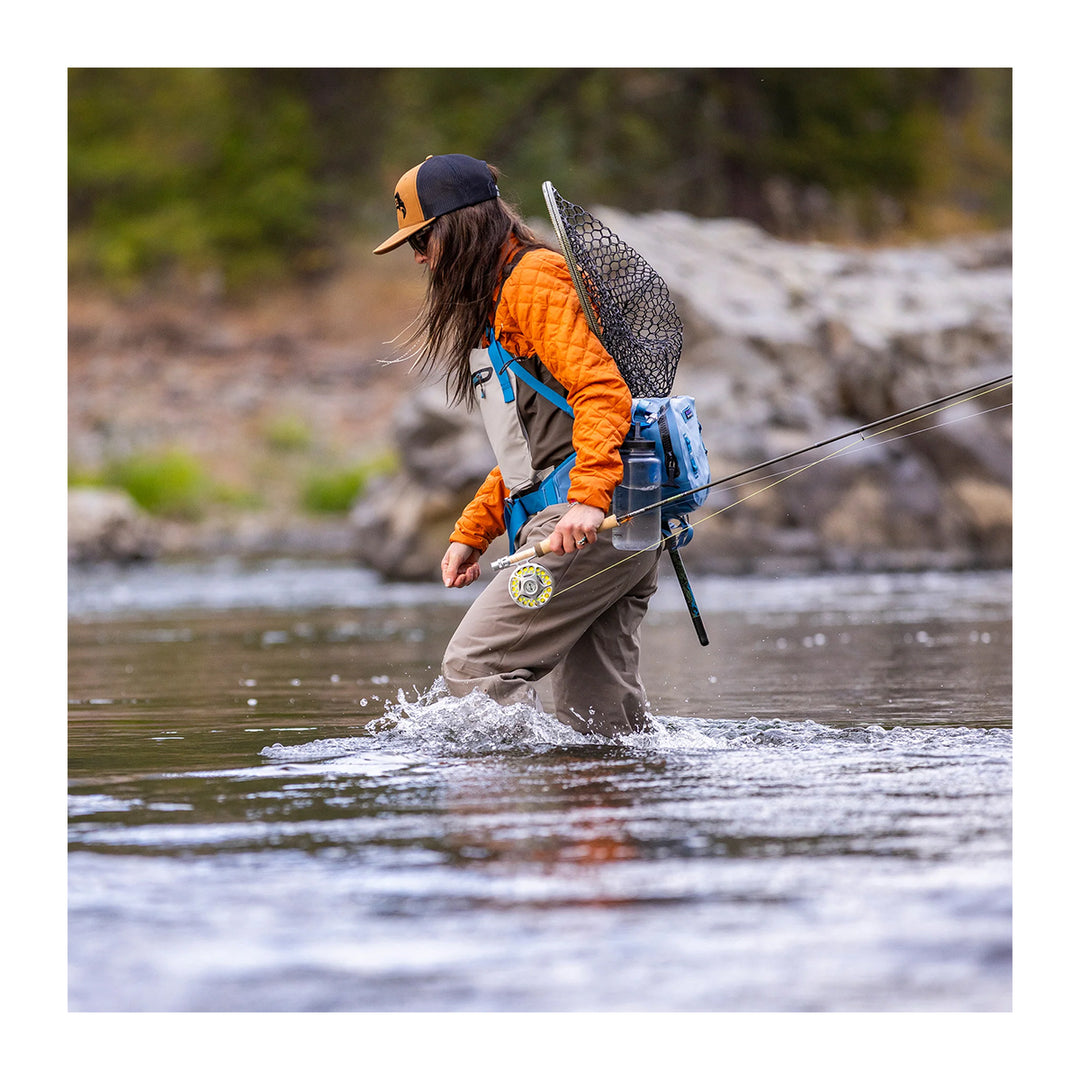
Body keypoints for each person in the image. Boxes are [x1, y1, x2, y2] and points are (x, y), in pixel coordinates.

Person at [374, 154, 661, 737]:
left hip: (589, 519)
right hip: (619, 514)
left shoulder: (533, 281)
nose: (419, 258)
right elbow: (534, 453)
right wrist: (473, 531)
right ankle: (604, 823)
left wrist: (588, 499)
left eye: (422, 240)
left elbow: (602, 392)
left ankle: (499, 824)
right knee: (598, 726)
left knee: (473, 667)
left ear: (458, 228)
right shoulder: (503, 297)